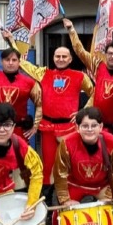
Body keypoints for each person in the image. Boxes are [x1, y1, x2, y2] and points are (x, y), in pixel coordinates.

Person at [13, 34, 94, 197]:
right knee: (48, 164)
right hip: (48, 127)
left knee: (68, 163)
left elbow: (94, 92)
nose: (61, 59)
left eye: (64, 56)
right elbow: (22, 63)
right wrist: (11, 41)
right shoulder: (44, 73)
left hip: (69, 128)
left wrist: (83, 112)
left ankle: (70, 195)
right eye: (58, 56)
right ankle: (48, 198)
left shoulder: (80, 76)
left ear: (70, 59)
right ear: (53, 57)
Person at [64, 21, 113, 139]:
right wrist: (71, 30)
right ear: (105, 54)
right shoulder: (98, 66)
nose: (112, 56)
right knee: (98, 157)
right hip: (98, 126)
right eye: (110, 53)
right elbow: (80, 51)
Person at [52, 107, 113, 207]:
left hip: (102, 186)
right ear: (77, 127)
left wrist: (108, 196)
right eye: (85, 126)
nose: (90, 129)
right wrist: (65, 200)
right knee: (62, 214)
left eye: (94, 125)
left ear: (101, 127)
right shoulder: (67, 144)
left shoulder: (112, 143)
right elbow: (60, 174)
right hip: (75, 185)